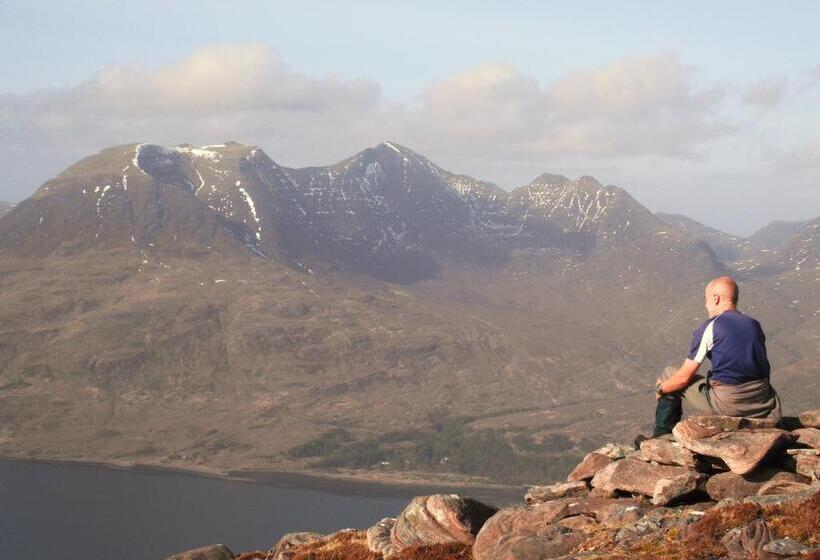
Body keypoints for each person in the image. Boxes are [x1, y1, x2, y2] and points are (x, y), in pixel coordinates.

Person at [650, 276, 781, 438]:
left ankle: (661, 437)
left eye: (707, 300)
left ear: (716, 298)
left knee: (670, 374)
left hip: (730, 404)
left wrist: (661, 389)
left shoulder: (711, 327)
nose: (706, 305)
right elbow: (763, 368)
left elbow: (683, 379)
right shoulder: (754, 324)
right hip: (763, 402)